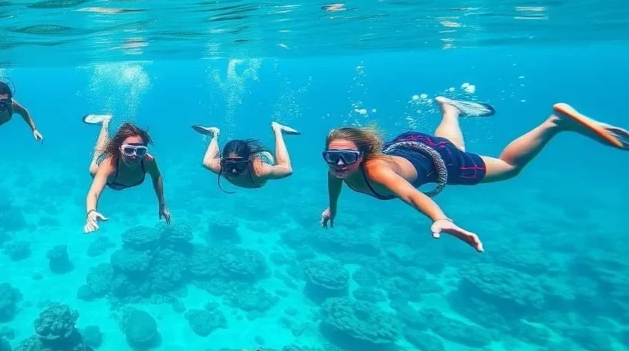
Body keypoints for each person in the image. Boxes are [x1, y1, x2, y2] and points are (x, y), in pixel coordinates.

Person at [321, 97, 628, 251]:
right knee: (449, 144)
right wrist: (332, 208)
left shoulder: (377, 172)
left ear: (364, 155)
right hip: (412, 145)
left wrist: (440, 218)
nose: (339, 163)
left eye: (348, 156)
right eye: (332, 157)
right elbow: (335, 185)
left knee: (508, 168)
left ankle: (555, 123)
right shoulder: (338, 169)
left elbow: (411, 195)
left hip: (434, 158)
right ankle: (450, 109)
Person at [82, 114, 170, 234]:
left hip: (117, 179)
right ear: (120, 148)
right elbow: (94, 192)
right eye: (128, 150)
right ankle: (105, 123)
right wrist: (91, 211)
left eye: (140, 151)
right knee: (97, 158)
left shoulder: (148, 161)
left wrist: (162, 204)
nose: (134, 156)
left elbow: (156, 176)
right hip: (106, 169)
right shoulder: (108, 166)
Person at [192, 122, 299, 191]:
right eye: (229, 165)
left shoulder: (259, 171)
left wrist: (278, 132)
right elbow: (206, 161)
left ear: (249, 161)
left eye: (239, 165)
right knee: (206, 163)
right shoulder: (220, 166)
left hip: (263, 155)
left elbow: (286, 168)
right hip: (244, 160)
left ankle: (278, 129)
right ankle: (214, 133)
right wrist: (214, 137)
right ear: (222, 161)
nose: (234, 171)